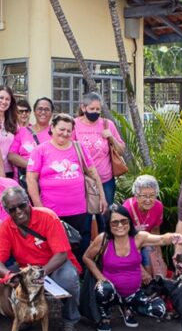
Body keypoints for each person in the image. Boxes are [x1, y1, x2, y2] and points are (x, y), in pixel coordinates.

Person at [0, 187, 82, 331]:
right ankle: (25, 316)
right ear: (6, 210)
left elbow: (61, 254)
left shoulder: (47, 217)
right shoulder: (6, 228)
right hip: (27, 268)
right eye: (12, 209)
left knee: (68, 278)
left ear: (28, 202)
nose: (19, 211)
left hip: (54, 265)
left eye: (22, 205)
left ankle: (70, 320)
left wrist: (39, 274)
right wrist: (9, 276)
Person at [82, 204, 182, 331]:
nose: (120, 226)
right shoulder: (103, 239)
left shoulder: (139, 238)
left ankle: (128, 308)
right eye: (115, 223)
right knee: (104, 289)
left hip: (134, 292)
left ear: (129, 221)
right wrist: (100, 277)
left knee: (159, 310)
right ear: (108, 224)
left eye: (124, 221)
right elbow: (87, 257)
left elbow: (162, 239)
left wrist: (175, 237)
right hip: (112, 292)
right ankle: (105, 316)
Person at [26, 112, 107, 266]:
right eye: (61, 129)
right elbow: (31, 179)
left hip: (79, 209)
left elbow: (93, 173)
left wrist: (102, 197)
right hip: (52, 212)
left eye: (69, 131)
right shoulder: (40, 150)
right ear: (52, 128)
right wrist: (39, 208)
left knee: (81, 243)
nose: (65, 134)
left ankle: (81, 276)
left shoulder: (79, 147)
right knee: (54, 247)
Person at [73, 92, 125, 232]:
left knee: (105, 218)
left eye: (98, 110)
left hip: (105, 179)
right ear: (83, 108)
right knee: (84, 220)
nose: (95, 113)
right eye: (92, 109)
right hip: (83, 180)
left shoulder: (107, 124)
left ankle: (106, 249)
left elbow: (121, 151)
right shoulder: (74, 124)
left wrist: (111, 138)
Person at [123, 175, 166, 277]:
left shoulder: (158, 206)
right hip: (128, 243)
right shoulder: (127, 208)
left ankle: (151, 282)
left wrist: (159, 258)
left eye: (152, 195)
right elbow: (123, 240)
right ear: (136, 196)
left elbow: (156, 232)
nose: (148, 200)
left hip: (146, 241)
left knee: (149, 252)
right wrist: (142, 271)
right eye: (144, 196)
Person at [8, 97, 53, 187]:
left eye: (47, 109)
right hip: (23, 182)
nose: (43, 112)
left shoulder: (55, 132)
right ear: (34, 112)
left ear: (52, 113)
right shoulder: (22, 131)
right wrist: (33, 165)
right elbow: (11, 155)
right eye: (40, 109)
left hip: (46, 183)